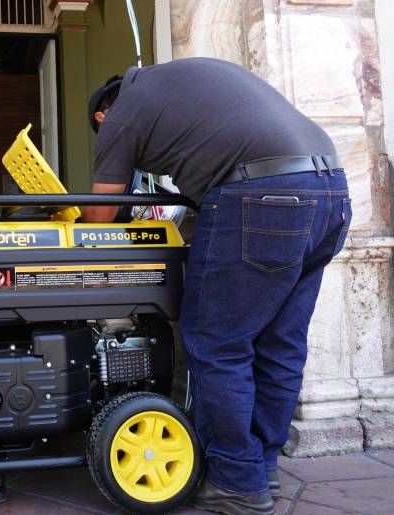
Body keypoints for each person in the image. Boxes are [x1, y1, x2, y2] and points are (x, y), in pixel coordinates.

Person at [84, 58, 351, 515]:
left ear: (101, 115)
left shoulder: (121, 114)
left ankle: (236, 481)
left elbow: (98, 218)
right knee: (280, 343)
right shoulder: (178, 84)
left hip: (260, 195)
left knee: (216, 343)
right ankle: (261, 468)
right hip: (332, 192)